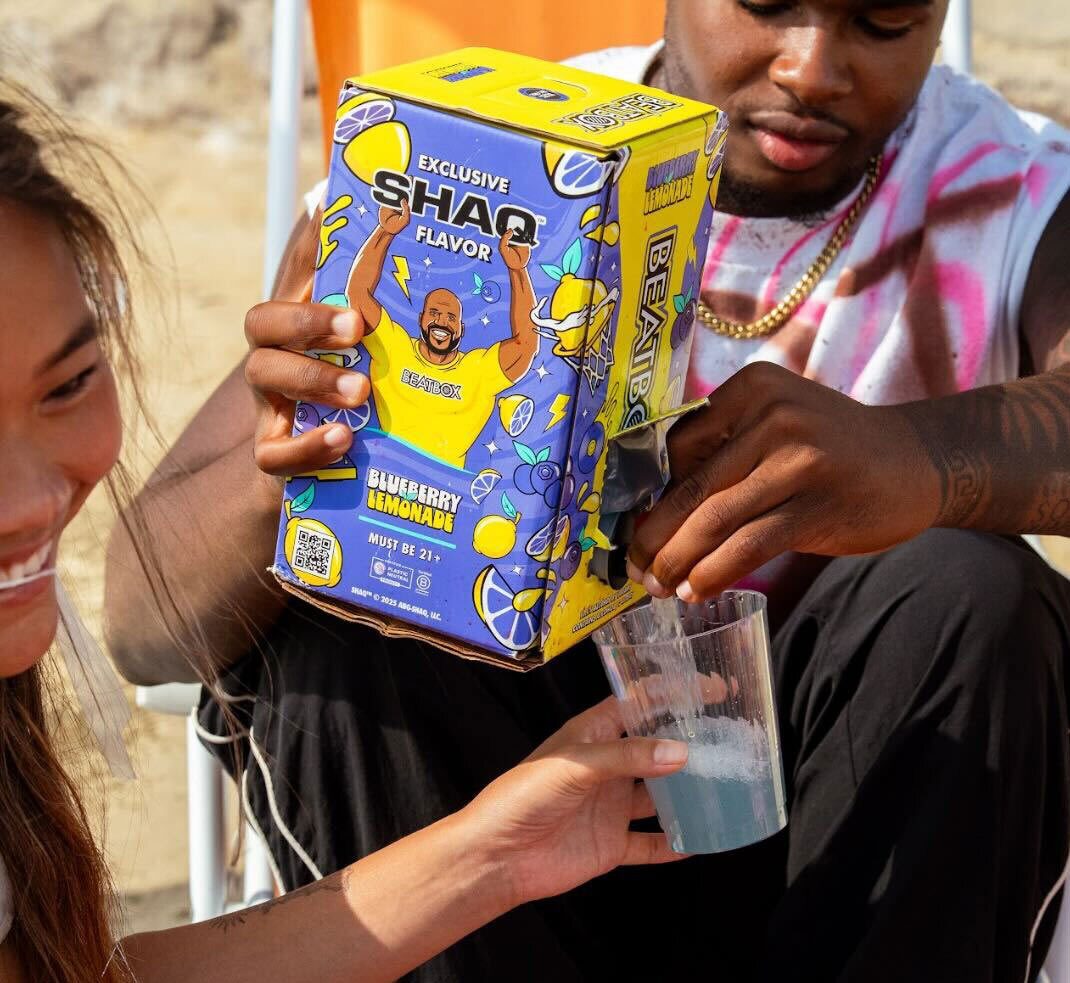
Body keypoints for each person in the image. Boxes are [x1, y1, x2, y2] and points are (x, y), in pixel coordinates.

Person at [106, 1, 1070, 979]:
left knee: (966, 589)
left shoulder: (1007, 193)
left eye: (882, 20)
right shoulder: (457, 172)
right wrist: (335, 439)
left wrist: (918, 458)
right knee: (347, 584)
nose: (811, 66)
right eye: (765, 4)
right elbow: (144, 625)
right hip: (491, 848)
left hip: (848, 840)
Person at [0, 89, 694, 983]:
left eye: (67, 386)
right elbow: (145, 623)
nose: (23, 500)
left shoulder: (486, 360)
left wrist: (487, 853)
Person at [338, 197, 538, 468]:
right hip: (378, 482)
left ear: (461, 328)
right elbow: (358, 295)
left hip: (448, 497)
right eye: (434, 313)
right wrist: (385, 232)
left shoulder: (478, 371)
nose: (441, 322)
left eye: (450, 317)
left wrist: (517, 270)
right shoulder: (394, 347)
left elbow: (526, 344)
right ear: (421, 319)